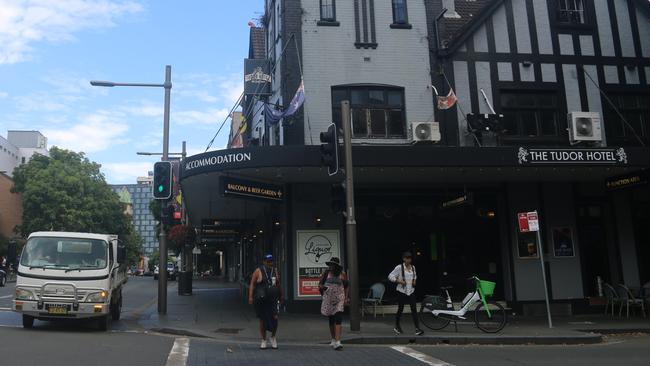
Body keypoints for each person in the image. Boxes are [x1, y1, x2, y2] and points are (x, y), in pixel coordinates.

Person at [248, 254, 283, 350]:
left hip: (273, 299)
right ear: (264, 262)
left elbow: (279, 284)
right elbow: (252, 284)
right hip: (262, 299)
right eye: (268, 261)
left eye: (271, 261)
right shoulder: (258, 271)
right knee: (263, 320)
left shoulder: (275, 270)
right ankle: (263, 340)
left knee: (275, 318)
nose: (270, 263)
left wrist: (281, 295)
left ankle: (273, 337)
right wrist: (250, 296)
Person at [388, 251, 424, 336]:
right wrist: (398, 281)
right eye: (407, 258)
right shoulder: (399, 267)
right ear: (403, 259)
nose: (409, 260)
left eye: (410, 258)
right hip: (402, 291)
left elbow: (415, 276)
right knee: (400, 309)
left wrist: (414, 281)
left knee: (414, 309)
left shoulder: (413, 267)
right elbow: (390, 276)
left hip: (411, 291)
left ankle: (417, 328)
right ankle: (397, 326)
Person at [319, 257, 348, 351]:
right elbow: (320, 284)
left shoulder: (342, 274)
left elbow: (347, 286)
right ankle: (333, 338)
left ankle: (338, 341)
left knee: (338, 318)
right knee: (331, 319)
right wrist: (323, 288)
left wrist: (346, 298)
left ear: (337, 266)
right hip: (329, 299)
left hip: (339, 298)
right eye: (330, 265)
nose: (331, 267)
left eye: (333, 265)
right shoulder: (326, 273)